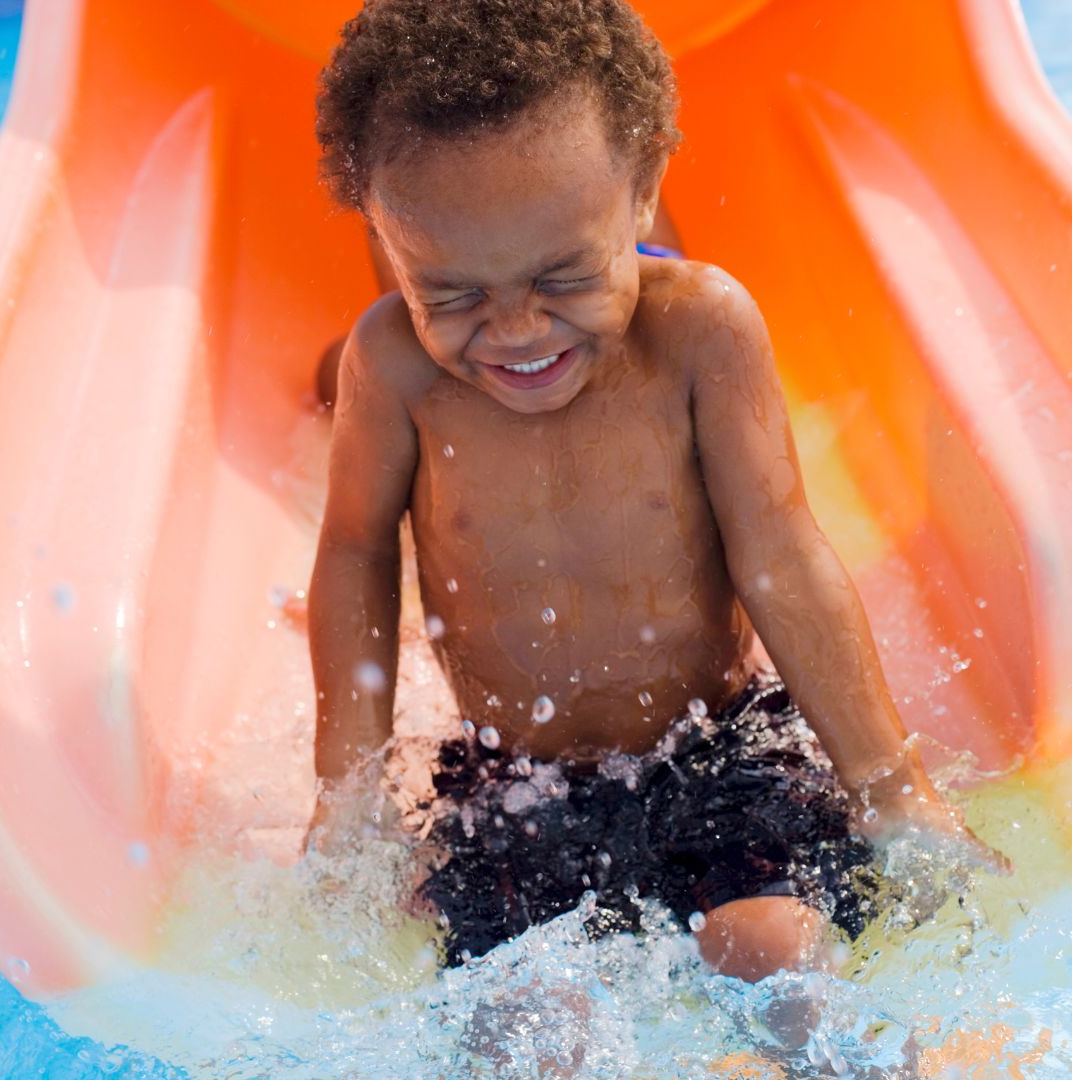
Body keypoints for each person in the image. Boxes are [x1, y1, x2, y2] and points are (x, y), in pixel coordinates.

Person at [307, 0, 1005, 982]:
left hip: (718, 748)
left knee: (776, 956)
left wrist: (895, 791)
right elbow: (355, 552)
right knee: (528, 1009)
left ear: (643, 197)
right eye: (453, 295)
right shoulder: (393, 369)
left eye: (562, 277)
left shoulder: (702, 335)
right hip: (515, 779)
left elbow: (783, 550)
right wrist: (348, 803)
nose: (516, 330)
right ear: (384, 241)